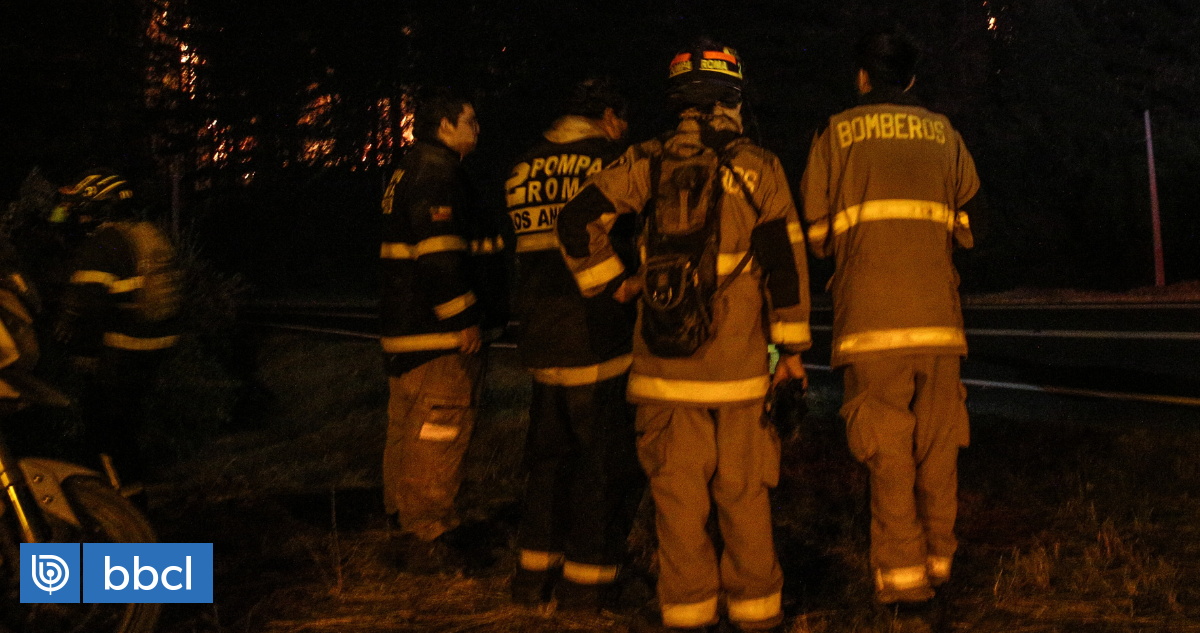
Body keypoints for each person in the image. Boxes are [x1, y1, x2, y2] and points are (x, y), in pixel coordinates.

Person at [557, 41, 811, 632]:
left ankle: (688, 615)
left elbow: (575, 220)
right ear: (731, 100)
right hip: (741, 374)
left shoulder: (644, 161)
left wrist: (616, 285)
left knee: (677, 502)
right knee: (744, 496)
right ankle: (757, 614)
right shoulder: (760, 167)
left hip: (663, 374)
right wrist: (792, 354)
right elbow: (786, 267)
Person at [798, 27, 981, 616]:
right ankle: (940, 563)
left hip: (870, 323)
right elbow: (965, 221)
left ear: (862, 78)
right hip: (939, 321)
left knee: (888, 450)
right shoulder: (945, 135)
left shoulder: (834, 135)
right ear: (910, 79)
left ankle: (904, 582)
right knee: (939, 446)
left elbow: (819, 238)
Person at [505, 77, 644, 612]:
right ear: (609, 116)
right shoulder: (613, 161)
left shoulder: (522, 166)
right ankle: (588, 586)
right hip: (597, 328)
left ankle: (531, 580)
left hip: (540, 332)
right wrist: (619, 284)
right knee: (601, 462)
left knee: (547, 461)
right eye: (623, 119)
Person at [379, 90, 505, 571]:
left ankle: (402, 516)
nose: (478, 130)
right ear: (444, 125)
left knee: (407, 430)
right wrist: (464, 318)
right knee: (439, 430)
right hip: (437, 337)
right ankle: (428, 532)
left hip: (407, 332)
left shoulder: (408, 170)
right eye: (470, 120)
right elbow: (438, 255)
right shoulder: (438, 175)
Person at [52, 168, 183, 495]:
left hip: (124, 349)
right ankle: (133, 495)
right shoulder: (145, 232)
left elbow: (87, 305)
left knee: (104, 431)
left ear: (100, 207)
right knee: (126, 426)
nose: (78, 214)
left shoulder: (103, 242)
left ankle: (121, 508)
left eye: (84, 205)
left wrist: (77, 349)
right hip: (157, 343)